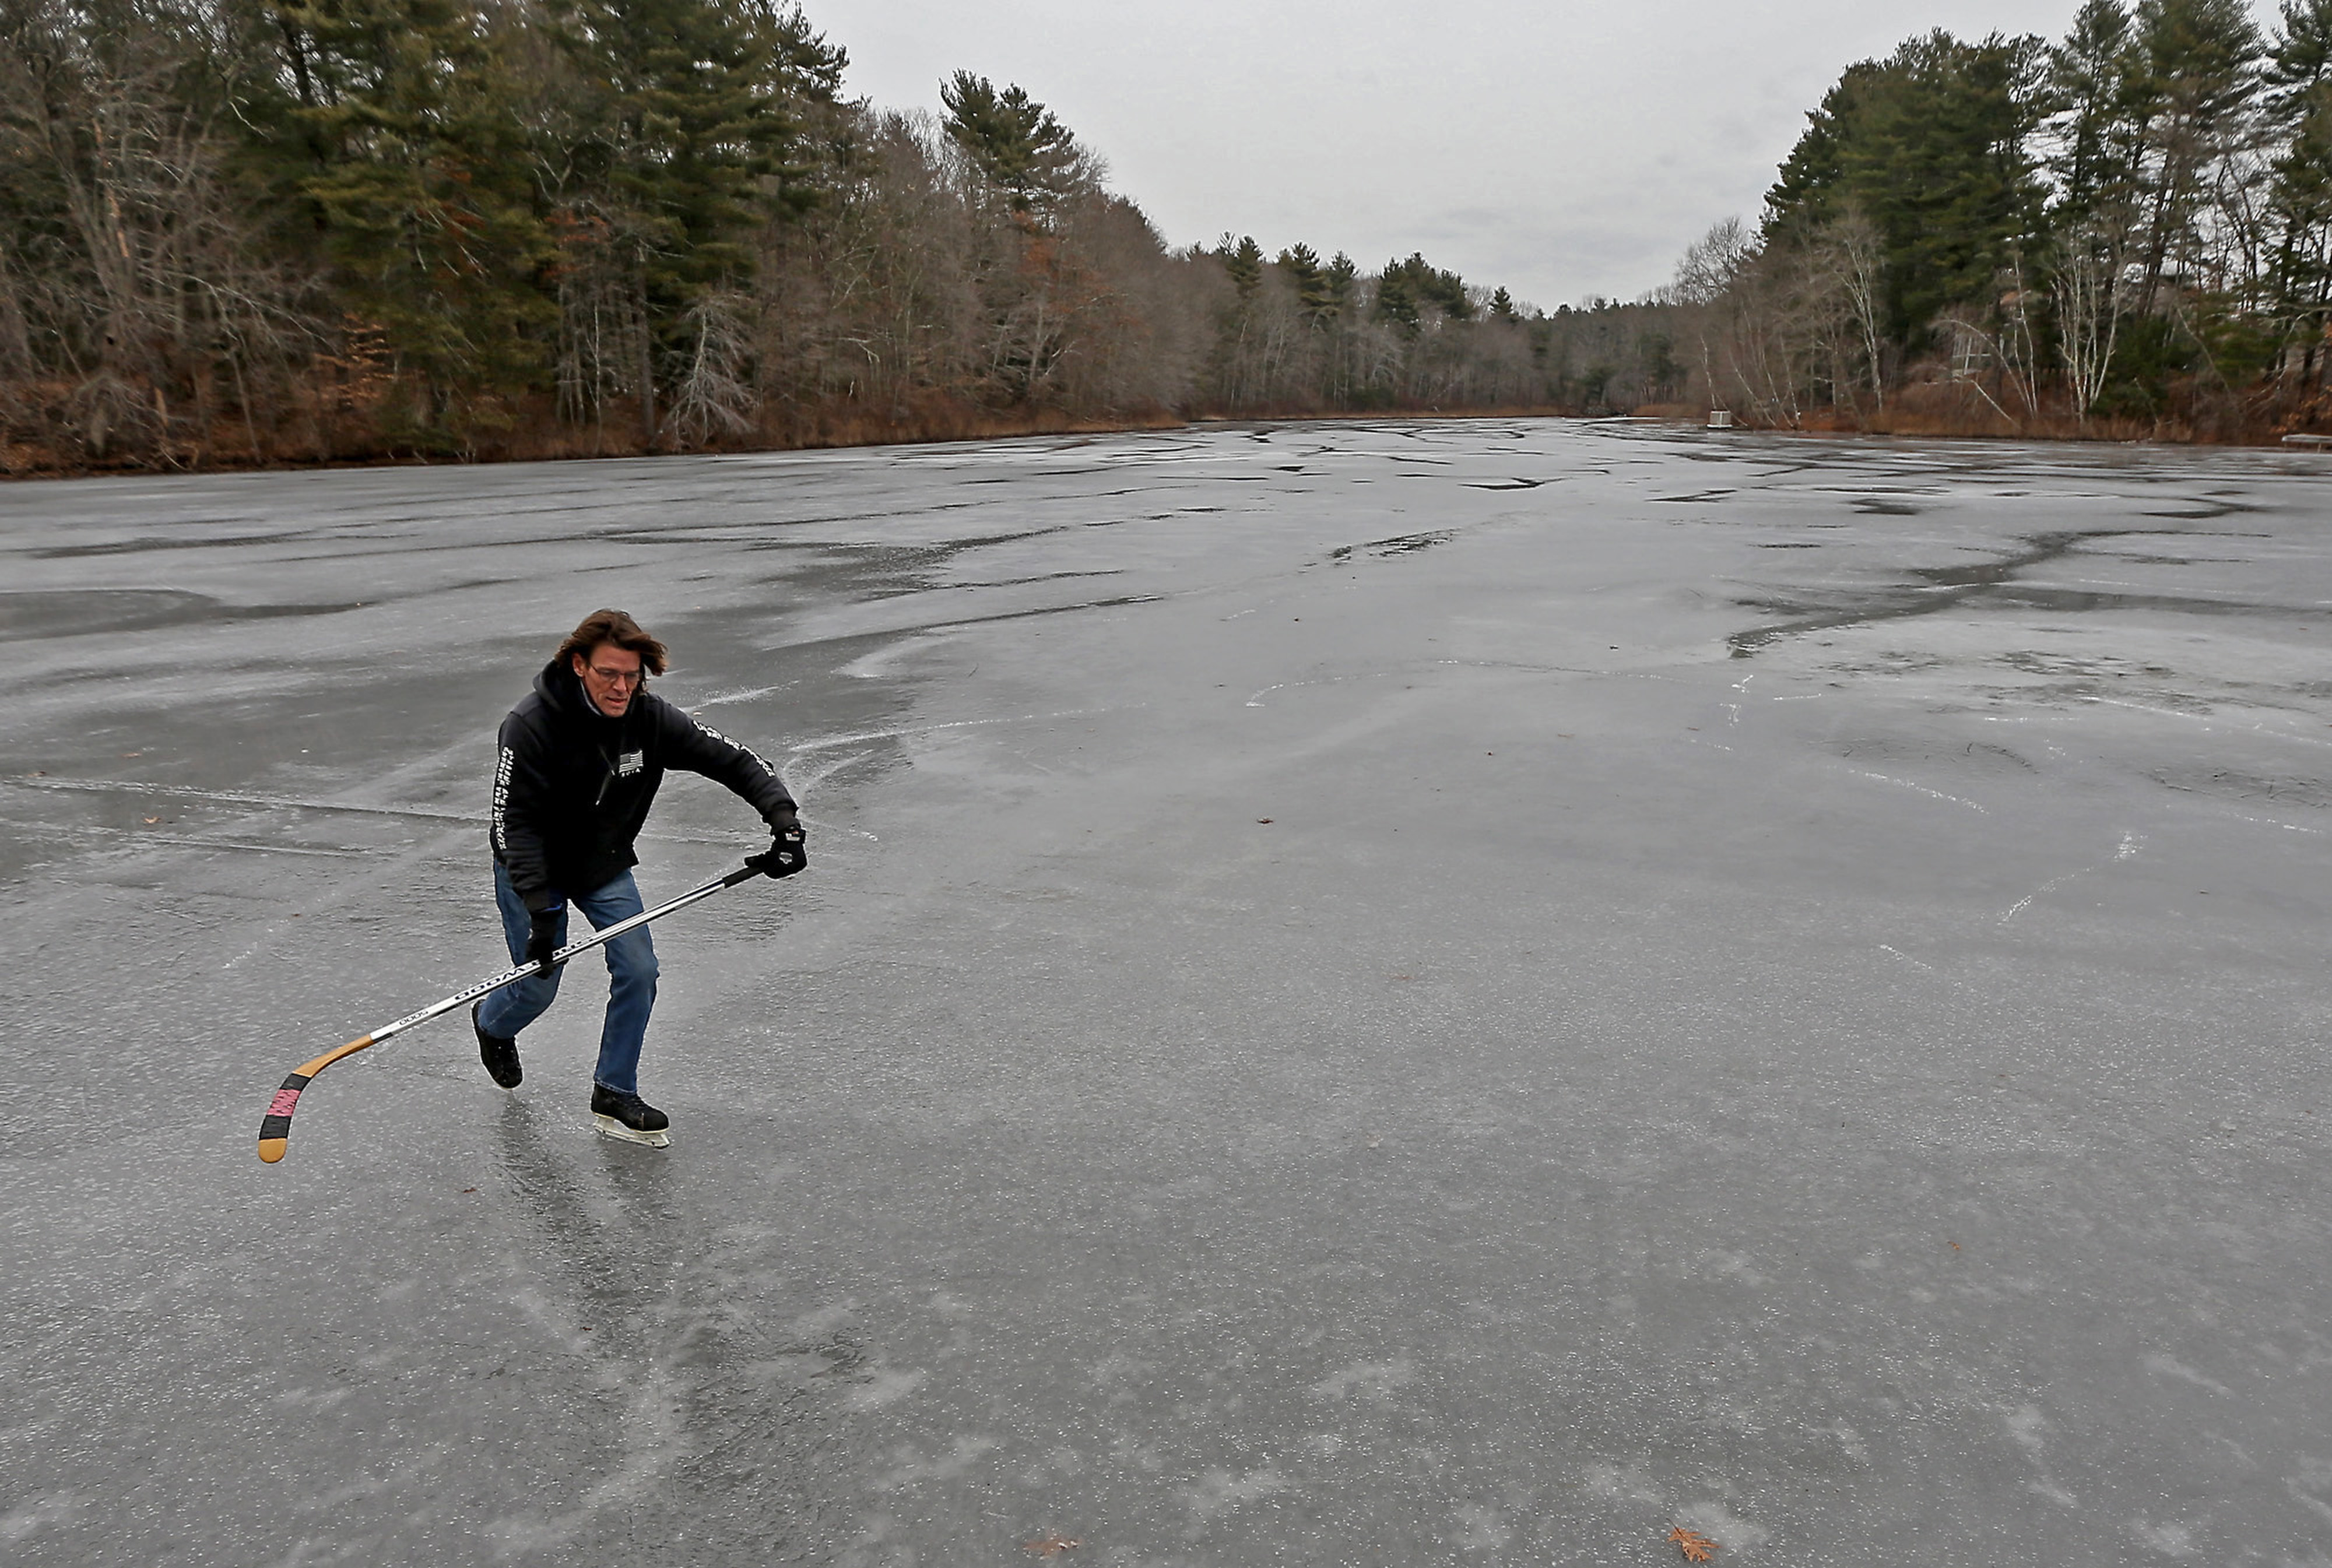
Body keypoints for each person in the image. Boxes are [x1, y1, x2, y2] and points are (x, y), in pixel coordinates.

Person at [474, 609, 805, 1146]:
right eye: (609, 674)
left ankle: (614, 1090)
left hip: (602, 865)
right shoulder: (530, 725)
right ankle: (492, 1023)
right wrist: (539, 909)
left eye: (632, 676)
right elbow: (515, 825)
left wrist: (783, 820)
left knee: (639, 969)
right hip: (531, 870)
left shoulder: (650, 719)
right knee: (538, 986)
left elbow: (736, 761)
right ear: (579, 665)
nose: (622, 688)